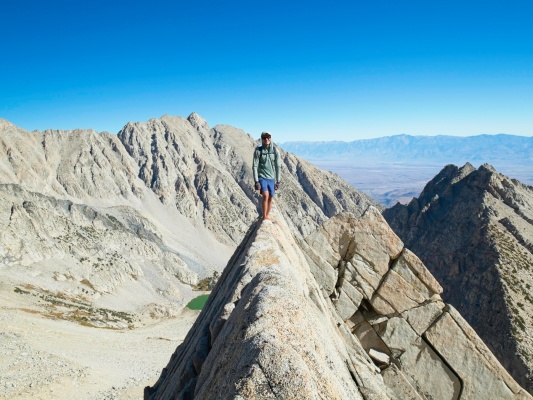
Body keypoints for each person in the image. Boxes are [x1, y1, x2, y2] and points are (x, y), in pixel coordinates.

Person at [252, 131, 281, 220]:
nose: (266, 139)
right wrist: (256, 181)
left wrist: (278, 181)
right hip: (262, 177)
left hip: (271, 178)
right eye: (264, 138)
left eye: (268, 137)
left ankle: (266, 215)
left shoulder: (275, 151)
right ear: (262, 139)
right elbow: (255, 166)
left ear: (270, 138)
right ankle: (264, 217)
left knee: (271, 197)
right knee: (265, 195)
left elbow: (278, 166)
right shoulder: (258, 150)